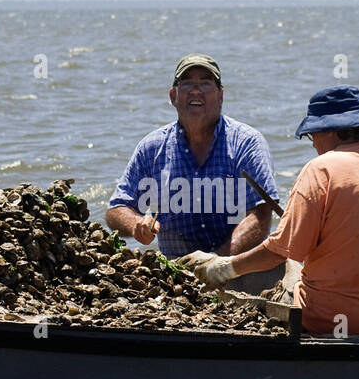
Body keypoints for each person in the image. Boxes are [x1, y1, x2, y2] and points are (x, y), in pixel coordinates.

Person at [177, 85, 359, 336]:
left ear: (330, 131)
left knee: (282, 276)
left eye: (313, 136)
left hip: (339, 321)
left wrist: (223, 267)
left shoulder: (321, 169)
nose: (313, 145)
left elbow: (278, 251)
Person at [104, 54, 277, 258]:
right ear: (173, 96)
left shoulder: (247, 143)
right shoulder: (151, 148)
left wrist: (216, 263)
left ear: (221, 95)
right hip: (176, 273)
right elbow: (116, 209)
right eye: (187, 84)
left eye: (205, 83)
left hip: (237, 267)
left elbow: (262, 214)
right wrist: (136, 225)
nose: (196, 91)